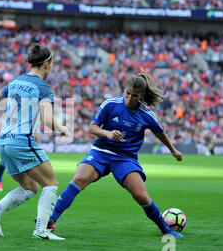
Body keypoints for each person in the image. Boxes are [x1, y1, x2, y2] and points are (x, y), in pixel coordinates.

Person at [49, 72, 184, 238]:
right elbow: (92, 127)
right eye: (127, 93)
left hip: (125, 157)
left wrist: (173, 150)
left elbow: (160, 132)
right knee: (79, 179)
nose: (129, 98)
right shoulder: (111, 104)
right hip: (101, 152)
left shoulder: (147, 115)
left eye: (134, 96)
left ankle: (165, 229)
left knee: (141, 196)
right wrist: (107, 133)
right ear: (124, 90)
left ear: (141, 96)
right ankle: (51, 219)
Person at [0, 43, 69, 240]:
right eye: (52, 63)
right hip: (21, 140)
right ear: (47, 64)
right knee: (51, 183)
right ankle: (41, 230)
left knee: (30, 187)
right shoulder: (43, 88)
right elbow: (46, 120)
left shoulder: (15, 81)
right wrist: (62, 128)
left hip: (3, 141)